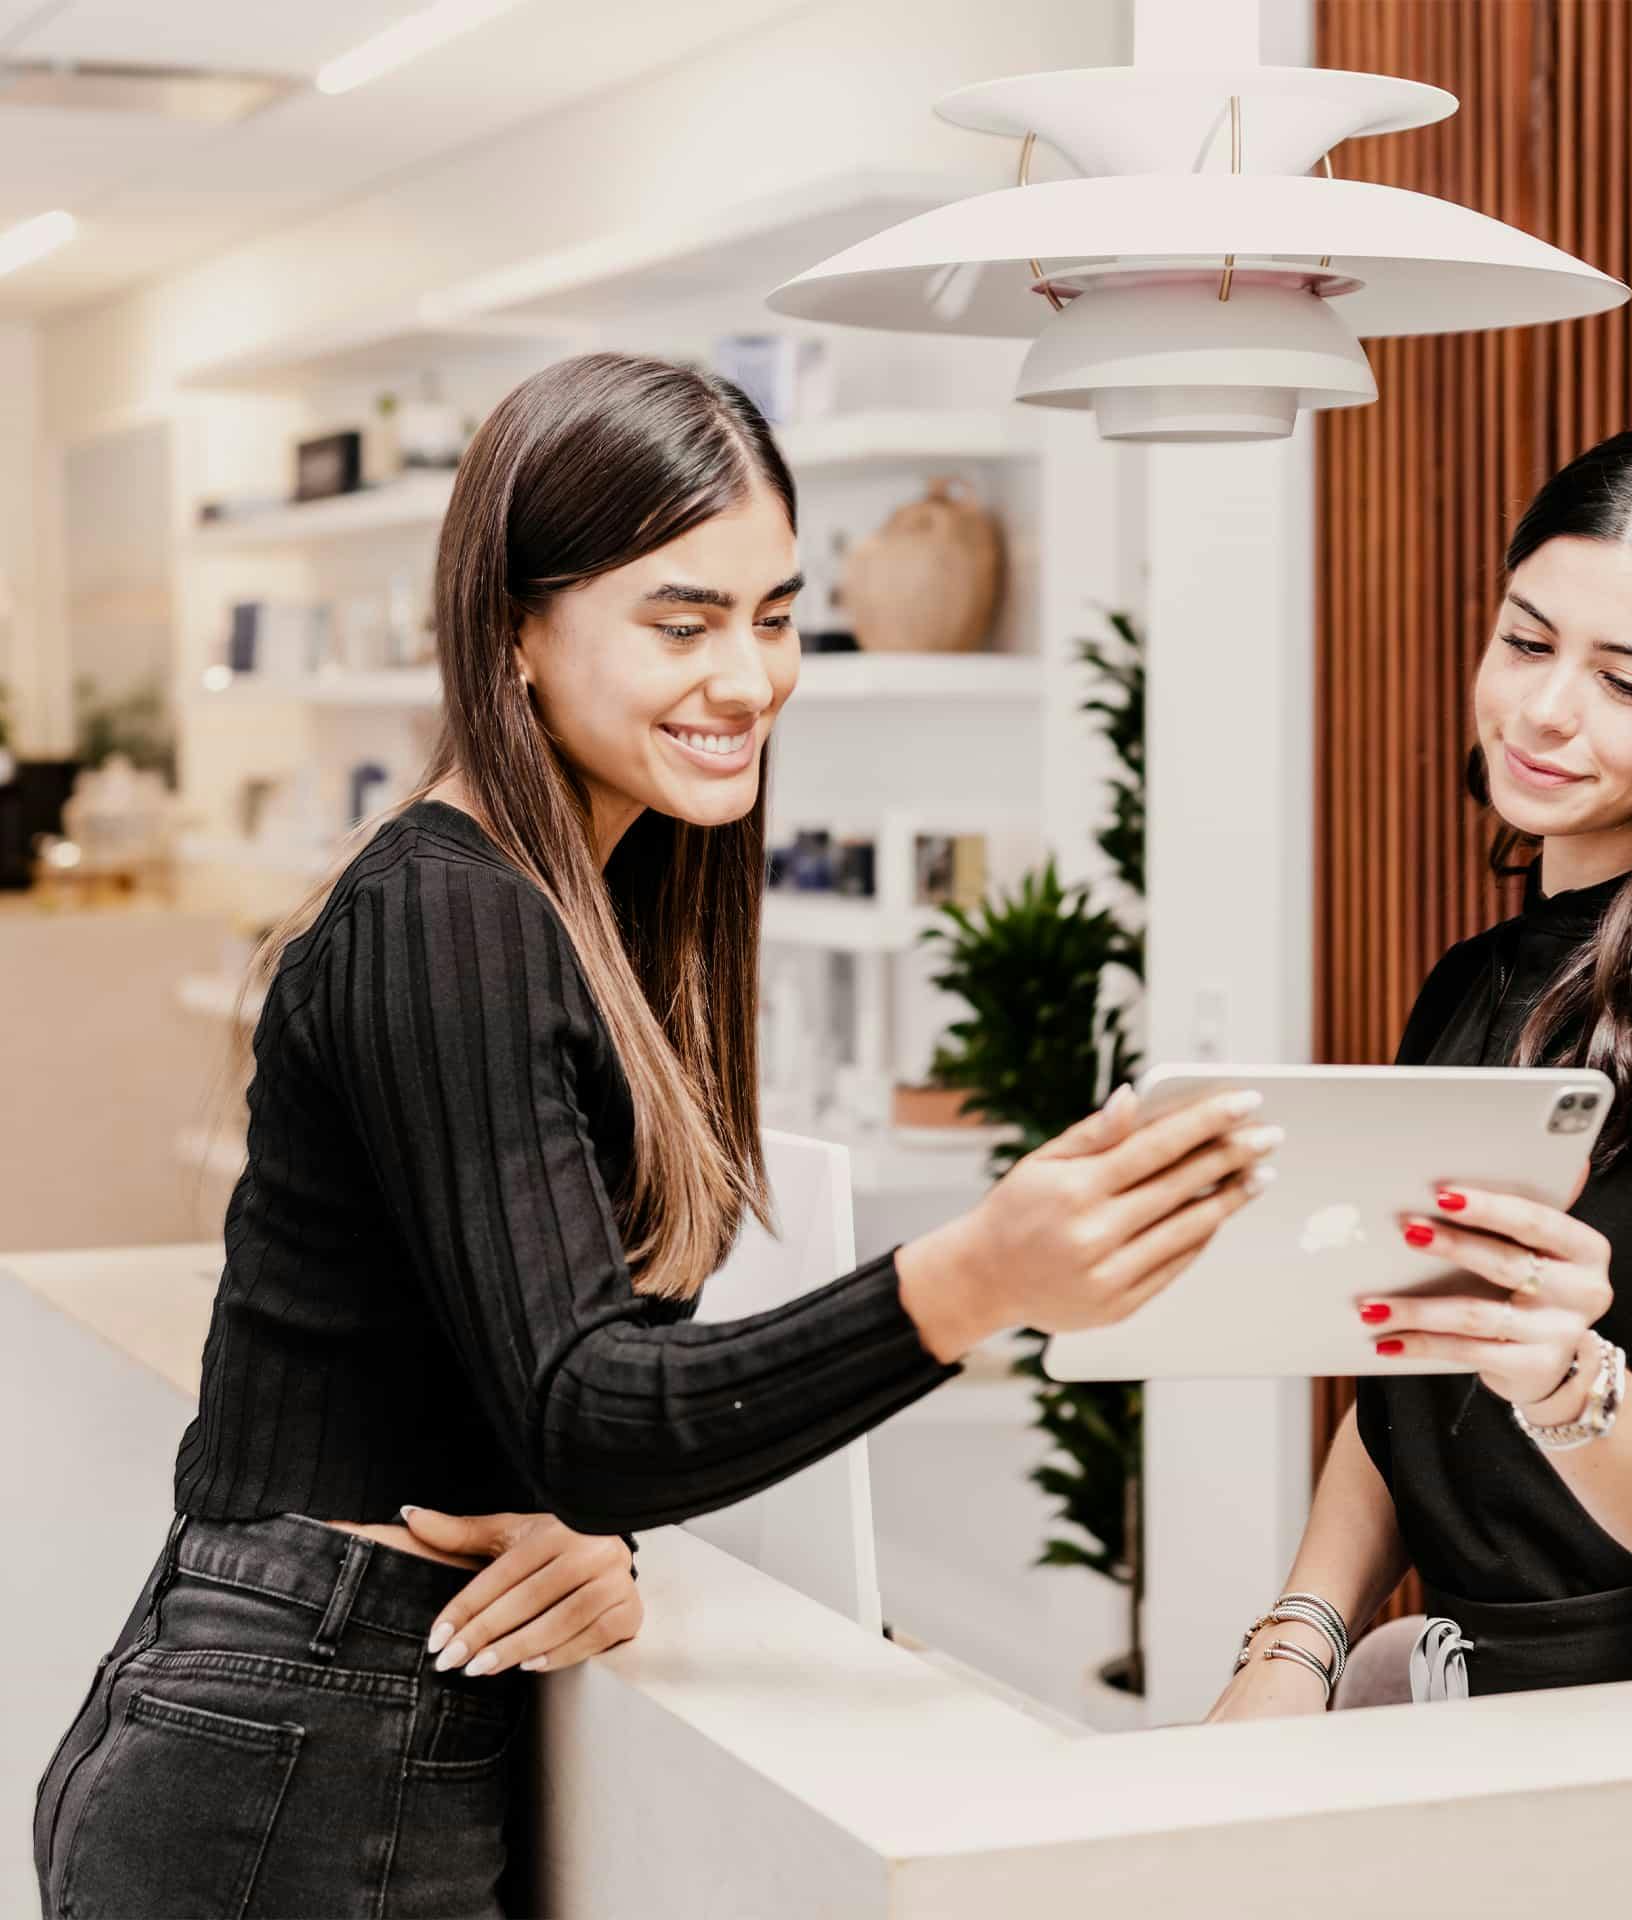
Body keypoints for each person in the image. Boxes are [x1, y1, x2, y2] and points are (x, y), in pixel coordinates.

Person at [33, 351, 1278, 1918]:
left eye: (774, 614)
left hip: (350, 1709)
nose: (748, 677)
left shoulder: (580, 913)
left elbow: (549, 1397)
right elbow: (588, 1406)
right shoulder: (446, 919)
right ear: (515, 636)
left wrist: (582, 1525)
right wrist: (968, 1281)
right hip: (287, 1749)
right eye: (680, 622)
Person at [1210, 423, 1632, 1718]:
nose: (1541, 709)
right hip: (1493, 1707)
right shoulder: (1471, 983)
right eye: (1525, 641)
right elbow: (1407, 1381)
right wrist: (1292, 1642)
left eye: (1626, 682)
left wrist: (1559, 1374)